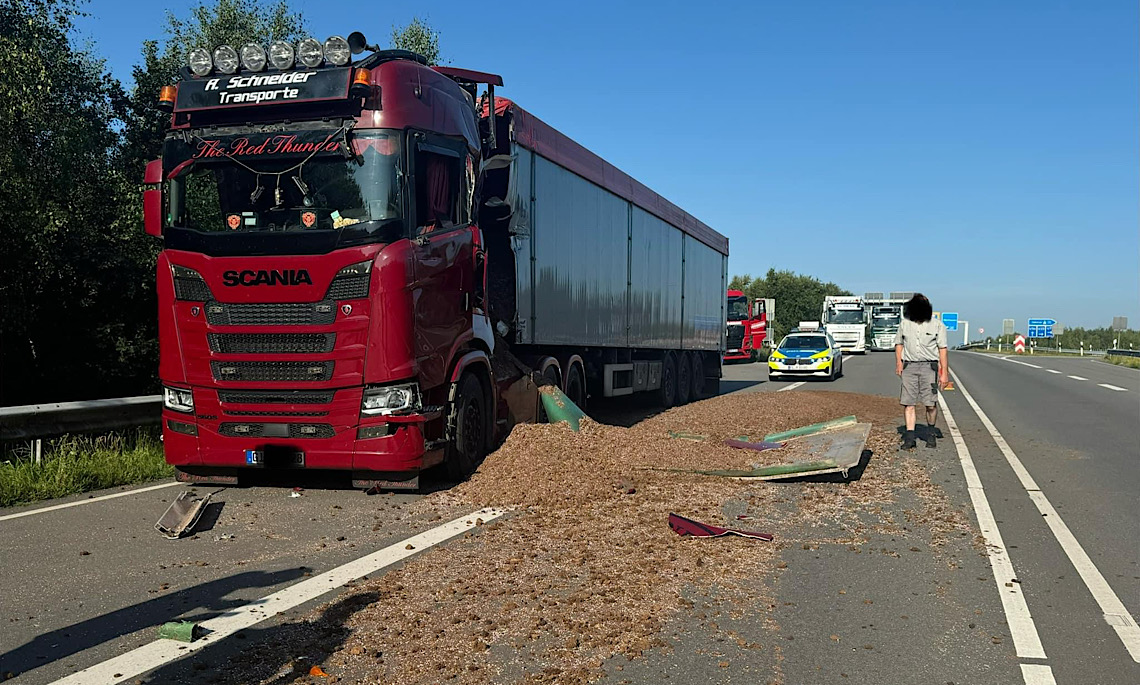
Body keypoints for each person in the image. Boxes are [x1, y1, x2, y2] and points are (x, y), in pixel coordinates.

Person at [894, 293, 948, 449]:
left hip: (929, 367)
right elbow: (899, 343)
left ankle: (930, 432)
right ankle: (910, 438)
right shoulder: (904, 324)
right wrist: (899, 362)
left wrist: (944, 373)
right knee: (908, 403)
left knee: (930, 404)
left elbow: (942, 349)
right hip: (909, 366)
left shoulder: (937, 325)